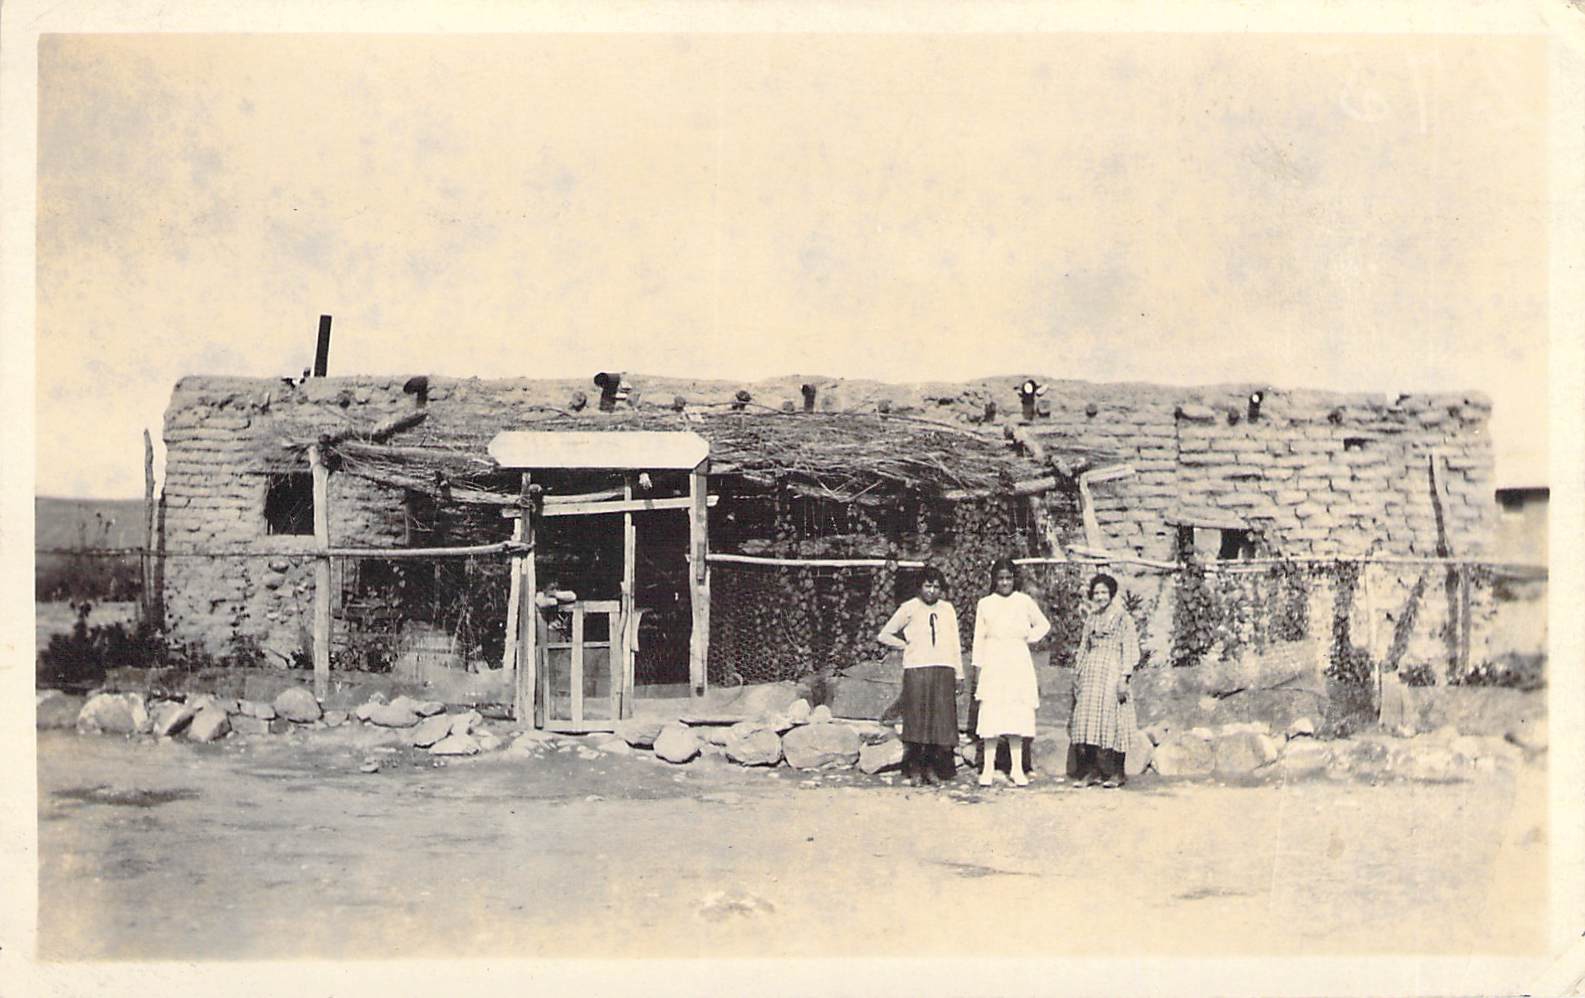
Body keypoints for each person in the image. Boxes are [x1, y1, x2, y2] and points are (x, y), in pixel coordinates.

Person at [876, 567, 963, 786]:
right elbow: (884, 634)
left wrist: (959, 674)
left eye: (936, 586)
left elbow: (955, 643)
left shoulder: (947, 609)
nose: (932, 591)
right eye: (928, 586)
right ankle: (914, 768)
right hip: (917, 669)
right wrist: (906, 645)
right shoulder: (910, 608)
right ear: (920, 587)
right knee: (917, 720)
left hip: (943, 669)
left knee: (938, 722)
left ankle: (931, 768)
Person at [971, 559, 1051, 787]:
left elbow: (1043, 625)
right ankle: (987, 769)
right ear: (994, 580)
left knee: (1016, 714)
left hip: (1017, 661)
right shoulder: (985, 603)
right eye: (1000, 578)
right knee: (992, 715)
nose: (1004, 582)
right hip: (994, 661)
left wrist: (1027, 638)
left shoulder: (1024, 601)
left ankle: (1017, 769)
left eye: (1008, 578)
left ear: (1014, 579)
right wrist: (978, 668)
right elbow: (979, 639)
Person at [1067, 573, 1140, 788]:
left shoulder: (1122, 618)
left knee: (1114, 718)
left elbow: (1130, 648)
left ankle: (1118, 772)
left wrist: (1124, 678)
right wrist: (1078, 673)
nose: (1100, 597)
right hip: (1092, 673)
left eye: (1104, 592)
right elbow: (1083, 647)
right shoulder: (1091, 618)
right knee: (1088, 719)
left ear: (1111, 593)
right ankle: (1092, 771)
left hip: (1112, 671)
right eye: (1096, 593)